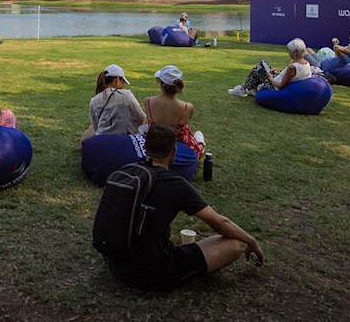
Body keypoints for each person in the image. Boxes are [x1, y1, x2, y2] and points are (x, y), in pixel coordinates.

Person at [101, 124, 264, 291]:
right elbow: (219, 222)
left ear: (144, 147)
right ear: (173, 152)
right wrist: (251, 240)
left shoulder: (129, 172)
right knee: (236, 244)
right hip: (151, 273)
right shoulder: (175, 184)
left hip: (116, 263)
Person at [144, 66, 204, 158]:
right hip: (178, 146)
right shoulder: (187, 108)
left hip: (156, 145)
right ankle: (201, 144)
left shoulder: (148, 102)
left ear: (160, 82)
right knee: (198, 136)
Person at [228, 38, 313, 97]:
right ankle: (250, 88)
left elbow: (280, 85)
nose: (288, 53)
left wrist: (270, 78)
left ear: (295, 52)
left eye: (289, 51)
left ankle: (244, 89)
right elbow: (290, 77)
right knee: (263, 64)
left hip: (275, 87)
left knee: (257, 70)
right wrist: (278, 72)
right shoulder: (306, 63)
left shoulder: (293, 67)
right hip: (280, 80)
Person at [82, 64, 146, 142]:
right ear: (117, 80)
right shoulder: (126, 95)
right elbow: (141, 118)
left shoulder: (94, 100)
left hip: (101, 141)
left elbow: (95, 127)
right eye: (123, 81)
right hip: (123, 141)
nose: (123, 86)